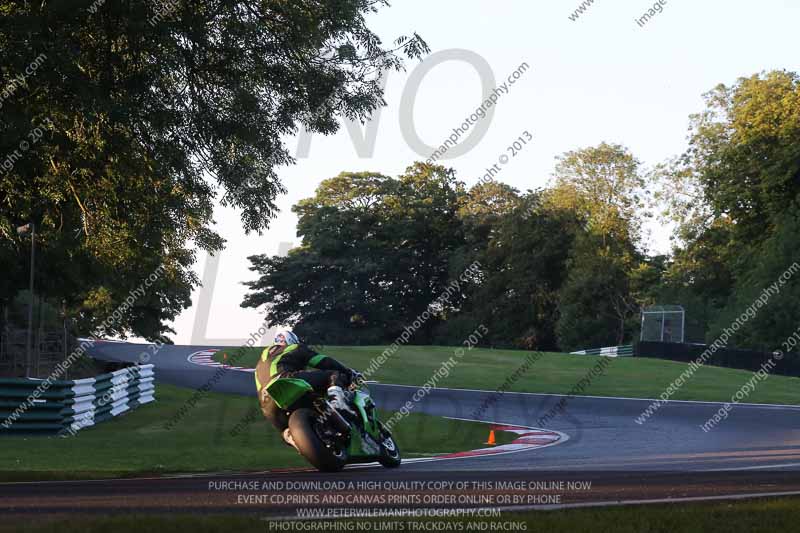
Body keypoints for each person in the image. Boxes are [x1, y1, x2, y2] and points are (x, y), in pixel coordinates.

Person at [255, 329, 360, 444]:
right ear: (292, 341)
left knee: (287, 432)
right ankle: (337, 402)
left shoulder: (261, 361)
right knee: (334, 374)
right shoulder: (294, 347)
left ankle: (292, 438)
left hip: (267, 404)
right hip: (287, 380)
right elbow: (321, 361)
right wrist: (347, 371)